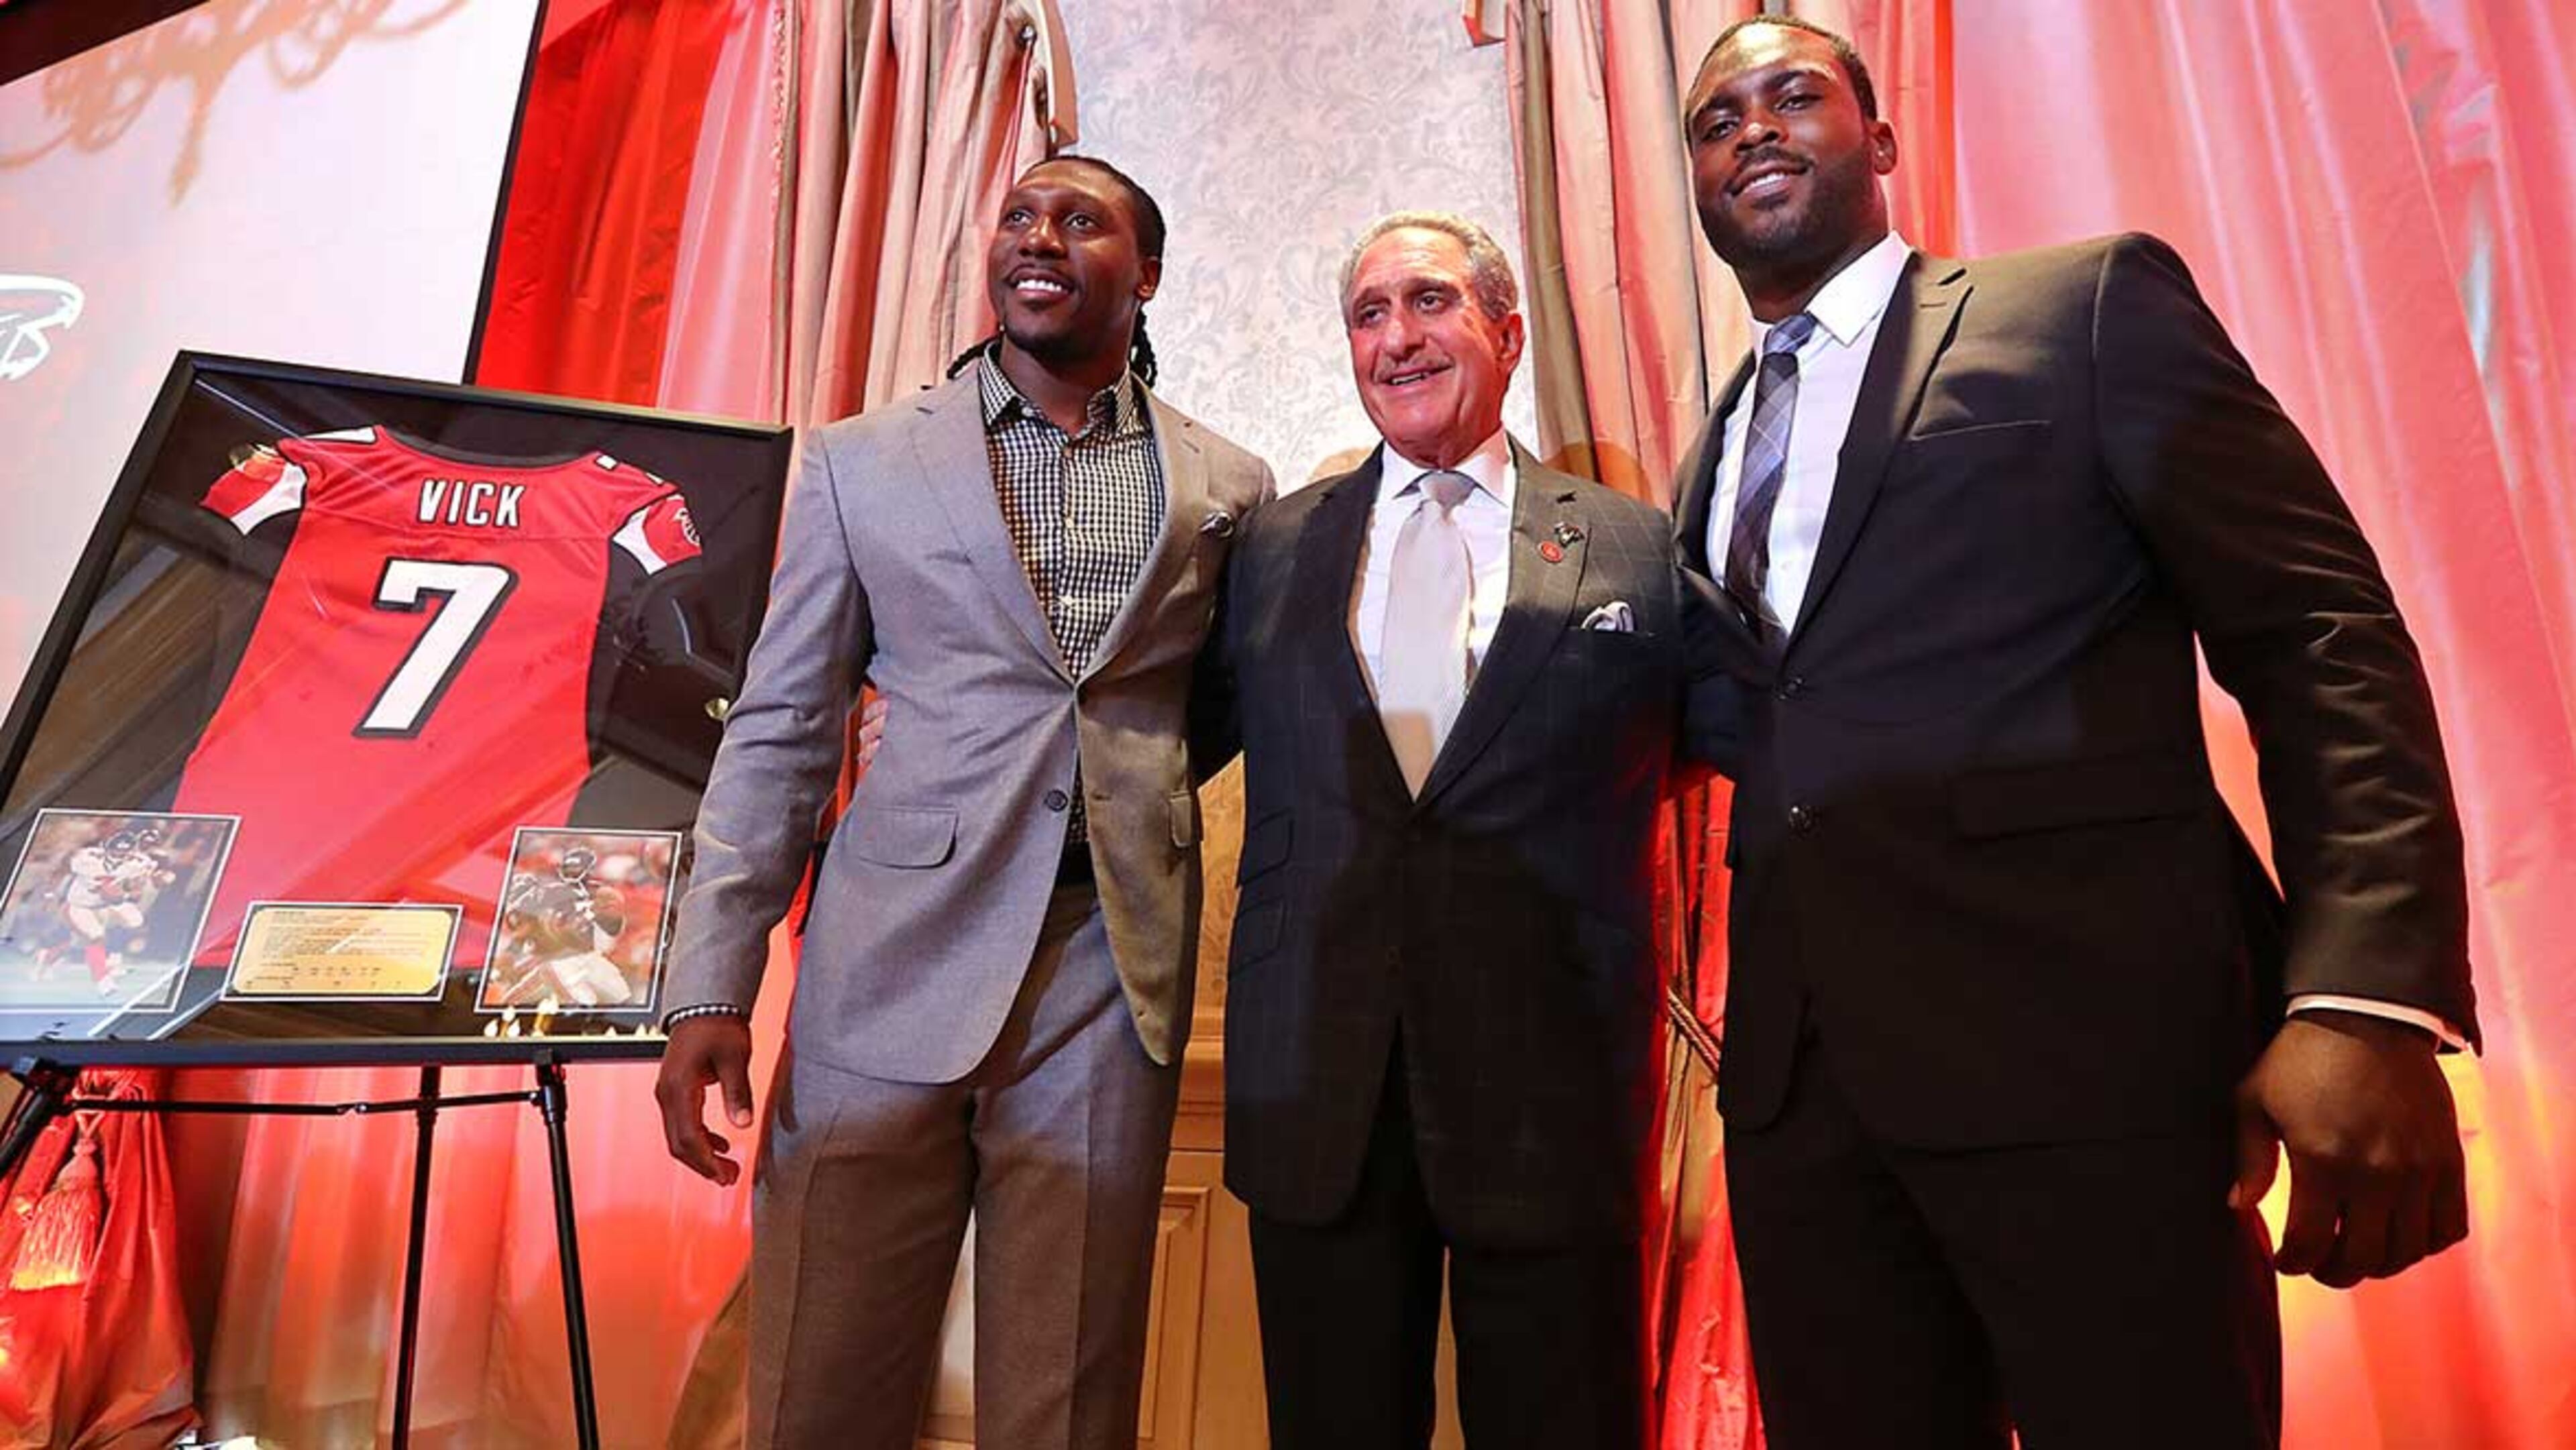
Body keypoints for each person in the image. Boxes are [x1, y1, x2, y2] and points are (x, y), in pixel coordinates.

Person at [1672, 17, 2477, 1448]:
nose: (1754, 128)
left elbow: (2319, 633)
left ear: (1884, 141)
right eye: (1716, 118)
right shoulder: (1717, 435)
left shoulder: (2078, 310)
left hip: (2088, 1068)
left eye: (1795, 93)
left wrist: (2359, 992)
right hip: (1810, 1113)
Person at [651, 154, 1275, 1450]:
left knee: (1066, 1400)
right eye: (1020, 216)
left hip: (1109, 977)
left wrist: (1116, 801)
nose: (1038, 237)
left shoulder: (1227, 485)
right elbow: (780, 726)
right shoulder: (863, 462)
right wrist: (710, 981)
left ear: (1145, 275)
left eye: (1081, 221)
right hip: (883, 969)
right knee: (824, 1376)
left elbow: (1207, 710)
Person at [1191, 211, 1729, 1449]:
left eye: (1429, 302)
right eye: (1370, 315)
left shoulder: (1630, 544)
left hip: (1552, 1091)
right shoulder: (1275, 548)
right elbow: (1157, 742)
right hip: (1318, 1090)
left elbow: (1747, 731)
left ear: (1506, 329)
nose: (1398, 337)